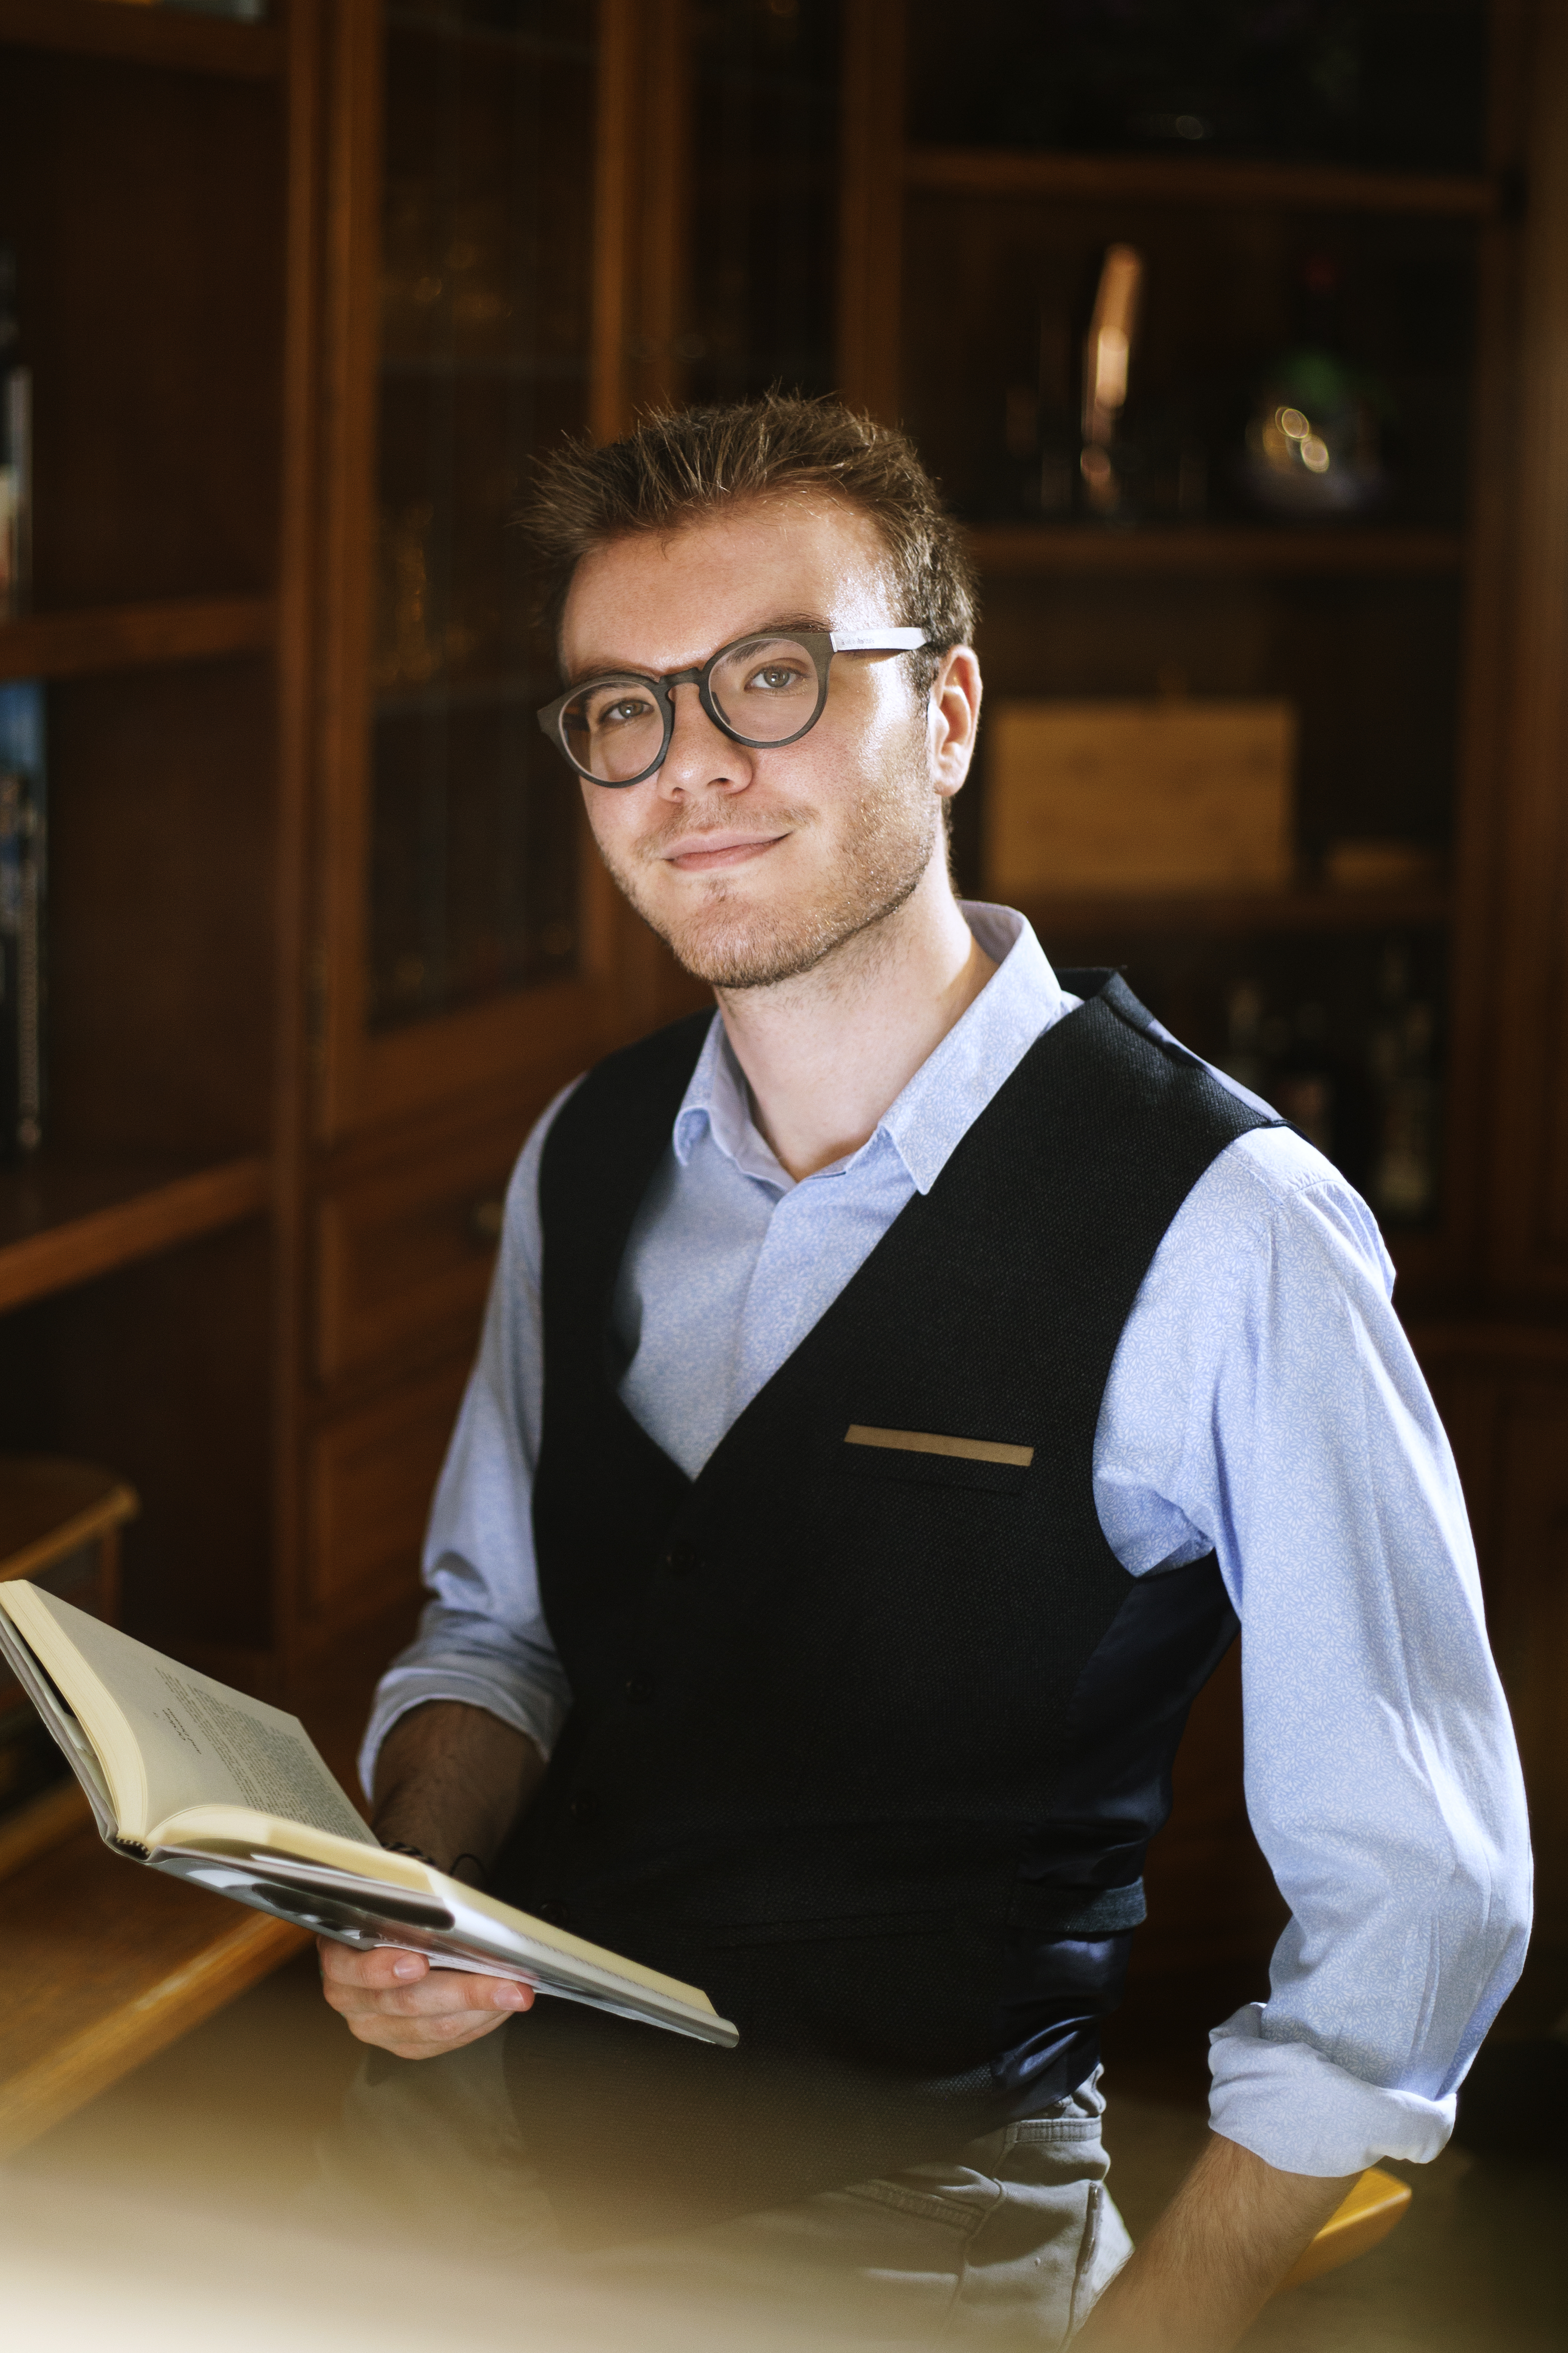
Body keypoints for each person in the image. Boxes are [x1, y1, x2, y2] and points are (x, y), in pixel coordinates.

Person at [316, 395, 1531, 2349]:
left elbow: (1428, 1896)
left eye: (771, 679)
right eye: (623, 709)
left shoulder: (1229, 1225)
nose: (691, 767)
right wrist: (418, 1875)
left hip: (893, 2231)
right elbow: (496, 1634)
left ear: (949, 712)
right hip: (445, 2166)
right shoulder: (587, 1149)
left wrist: (1162, 2327)